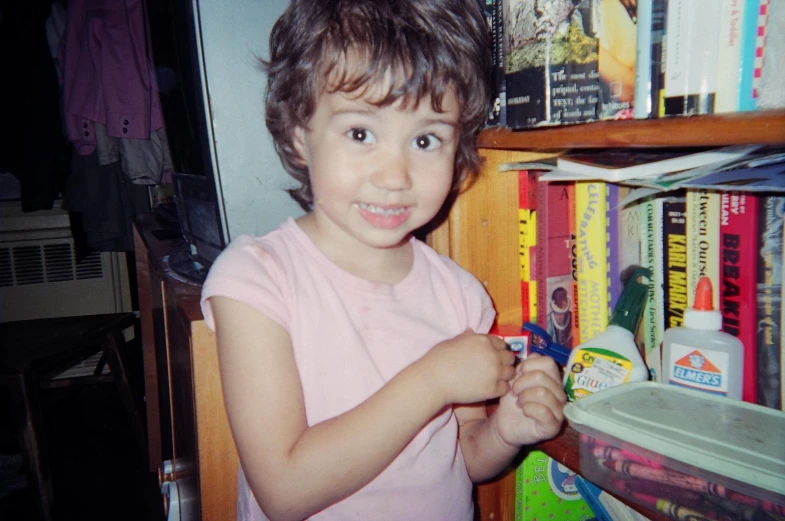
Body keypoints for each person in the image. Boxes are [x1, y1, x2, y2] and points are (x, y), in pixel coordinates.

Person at [199, 1, 566, 520]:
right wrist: (432, 379)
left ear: (457, 148)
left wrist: (507, 430)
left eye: (425, 139)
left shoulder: (460, 295)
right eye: (360, 133)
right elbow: (283, 490)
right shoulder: (258, 278)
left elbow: (462, 455)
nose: (395, 176)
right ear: (299, 133)